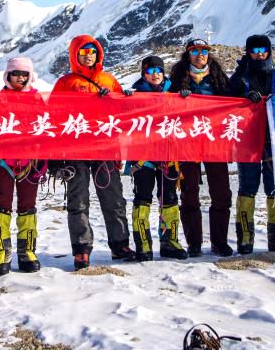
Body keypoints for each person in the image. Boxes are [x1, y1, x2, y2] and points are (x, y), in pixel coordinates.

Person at [51, 35, 135, 269]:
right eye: (83, 50)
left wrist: (124, 99)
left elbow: (122, 113)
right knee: (78, 200)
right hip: (75, 149)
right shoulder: (65, 83)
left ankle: (120, 245)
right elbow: (55, 115)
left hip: (105, 148)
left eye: (93, 50)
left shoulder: (109, 80)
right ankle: (81, 249)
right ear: (75, 54)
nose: (89, 54)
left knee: (114, 198)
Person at [228, 34, 275, 255]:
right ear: (248, 52)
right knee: (247, 187)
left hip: (274, 139)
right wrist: (244, 98)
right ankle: (245, 237)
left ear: (269, 51)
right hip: (248, 138)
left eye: (263, 50)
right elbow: (227, 97)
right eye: (255, 50)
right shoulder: (241, 75)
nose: (259, 54)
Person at [168, 38, 234, 257]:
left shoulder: (218, 78)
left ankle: (219, 242)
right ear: (188, 54)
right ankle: (194, 243)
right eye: (195, 51)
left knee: (221, 192)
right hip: (187, 143)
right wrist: (178, 98)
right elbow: (165, 104)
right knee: (189, 193)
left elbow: (233, 100)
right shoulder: (177, 78)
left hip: (214, 142)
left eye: (204, 50)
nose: (200, 54)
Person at [0, 57, 46, 276]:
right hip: (3, 162)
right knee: (2, 205)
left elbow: (45, 128)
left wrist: (44, 159)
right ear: (8, 75)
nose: (20, 78)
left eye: (24, 74)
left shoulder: (37, 99)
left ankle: (27, 251)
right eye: (16, 73)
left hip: (30, 162)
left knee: (27, 206)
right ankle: (2, 252)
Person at [127, 56, 187, 261]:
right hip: (143, 156)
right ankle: (143, 244)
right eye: (150, 71)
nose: (155, 74)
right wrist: (122, 99)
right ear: (144, 73)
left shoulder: (174, 92)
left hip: (168, 155)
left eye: (158, 70)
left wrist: (187, 100)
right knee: (143, 198)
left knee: (169, 198)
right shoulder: (134, 93)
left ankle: (169, 241)